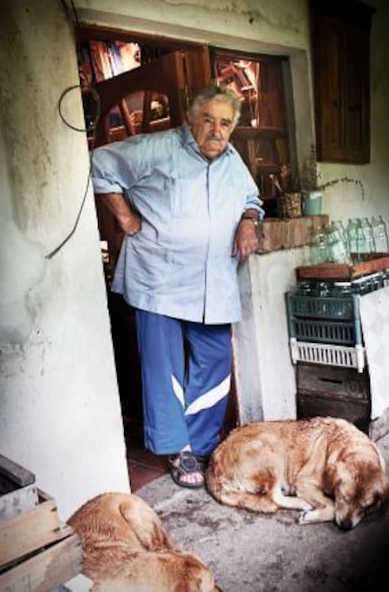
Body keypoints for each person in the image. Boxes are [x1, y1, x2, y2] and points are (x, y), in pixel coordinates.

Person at [91, 83, 264, 489]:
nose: (216, 131)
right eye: (208, 120)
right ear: (192, 119)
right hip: (160, 278)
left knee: (215, 361)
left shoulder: (232, 159)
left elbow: (251, 198)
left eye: (225, 123)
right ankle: (176, 448)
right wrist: (125, 218)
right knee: (163, 365)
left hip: (212, 282)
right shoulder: (158, 148)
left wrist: (247, 220)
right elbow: (100, 164)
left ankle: (201, 442)